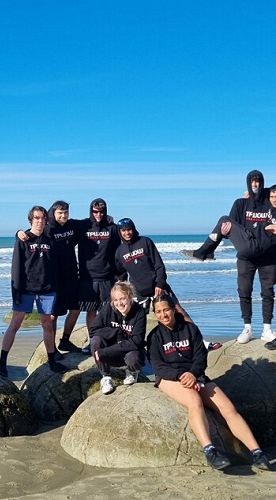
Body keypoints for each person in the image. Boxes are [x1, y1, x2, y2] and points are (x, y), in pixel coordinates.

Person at [147, 294, 271, 471]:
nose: (163, 315)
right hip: (169, 378)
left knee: (227, 407)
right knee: (194, 400)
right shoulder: (155, 336)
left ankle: (257, 452)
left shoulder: (191, 329)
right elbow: (158, 367)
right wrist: (184, 376)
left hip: (195, 375)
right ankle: (210, 451)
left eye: (166, 309)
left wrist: (194, 374)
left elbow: (200, 357)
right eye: (158, 312)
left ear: (174, 309)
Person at [184, 171, 276, 344]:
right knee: (244, 291)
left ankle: (267, 329)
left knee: (268, 292)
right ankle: (247, 328)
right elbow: (231, 229)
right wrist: (225, 233)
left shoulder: (271, 201)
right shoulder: (240, 204)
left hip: (267, 256)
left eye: (258, 182)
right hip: (247, 253)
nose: (255, 184)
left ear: (263, 183)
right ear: (248, 183)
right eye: (252, 182)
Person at [115, 217, 221, 351]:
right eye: (123, 231)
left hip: (157, 288)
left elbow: (159, 265)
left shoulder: (145, 242)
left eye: (129, 229)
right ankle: (138, 348)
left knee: (179, 311)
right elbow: (121, 274)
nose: (127, 233)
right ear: (120, 232)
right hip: (139, 293)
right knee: (136, 322)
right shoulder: (119, 251)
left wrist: (159, 283)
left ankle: (201, 343)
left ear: (133, 229)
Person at [0, 205, 65, 377]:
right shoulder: (23, 238)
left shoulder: (51, 239)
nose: (40, 221)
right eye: (36, 218)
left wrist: (55, 286)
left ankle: (51, 360)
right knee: (15, 324)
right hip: (25, 289)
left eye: (42, 218)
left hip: (46, 290)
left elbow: (55, 265)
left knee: (47, 324)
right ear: (31, 220)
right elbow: (16, 266)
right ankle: (2, 362)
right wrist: (16, 291)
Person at [17, 201, 82, 353]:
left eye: (66, 212)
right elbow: (33, 233)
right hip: (55, 277)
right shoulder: (48, 227)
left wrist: (108, 218)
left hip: (72, 274)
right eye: (60, 213)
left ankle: (65, 340)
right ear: (53, 213)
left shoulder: (73, 225)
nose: (63, 215)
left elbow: (90, 223)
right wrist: (19, 232)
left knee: (76, 308)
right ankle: (52, 348)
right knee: (53, 314)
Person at [77, 198, 120, 353]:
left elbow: (120, 251)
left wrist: (120, 274)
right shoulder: (83, 226)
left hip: (107, 277)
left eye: (102, 212)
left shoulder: (112, 228)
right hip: (87, 277)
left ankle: (108, 340)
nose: (98, 215)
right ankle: (92, 341)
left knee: (108, 310)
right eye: (95, 211)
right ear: (91, 211)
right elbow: (59, 226)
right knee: (91, 311)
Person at [89, 282, 146, 394]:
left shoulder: (139, 312)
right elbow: (93, 330)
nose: (119, 303)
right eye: (116, 300)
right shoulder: (108, 309)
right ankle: (106, 377)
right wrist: (116, 332)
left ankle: (132, 372)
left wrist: (105, 351)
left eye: (122, 298)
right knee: (96, 340)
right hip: (111, 354)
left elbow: (137, 341)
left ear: (130, 297)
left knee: (133, 357)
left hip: (128, 353)